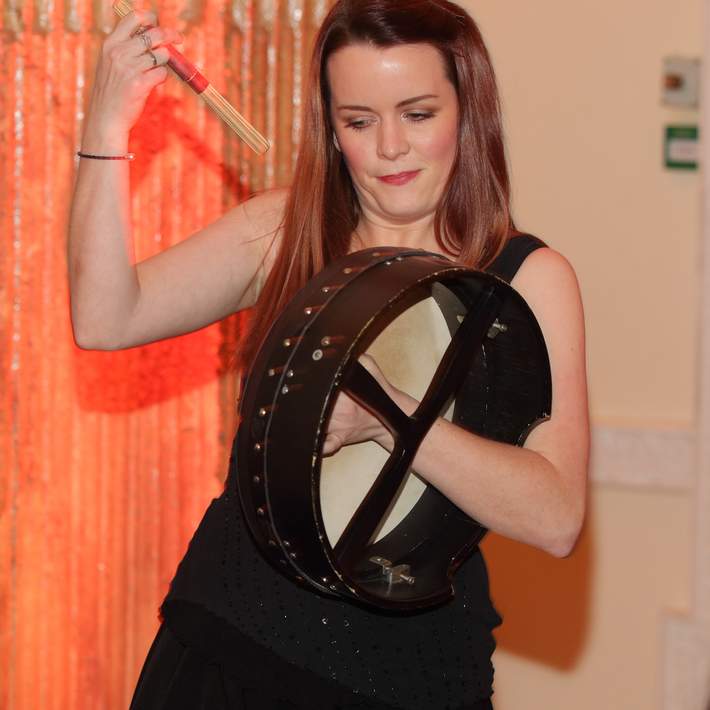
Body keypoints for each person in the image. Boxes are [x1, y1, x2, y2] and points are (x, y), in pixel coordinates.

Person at [68, 0, 589, 707]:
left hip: (411, 673)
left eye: (418, 113)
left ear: (469, 111)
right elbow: (105, 317)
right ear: (331, 127)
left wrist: (389, 415)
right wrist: (106, 128)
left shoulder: (526, 277)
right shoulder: (285, 229)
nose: (390, 148)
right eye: (359, 121)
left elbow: (555, 517)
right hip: (228, 645)